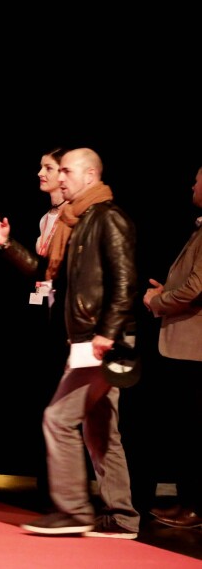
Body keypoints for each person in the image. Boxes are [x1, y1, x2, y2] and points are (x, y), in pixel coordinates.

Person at [20, 147, 141, 539]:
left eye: (67, 171)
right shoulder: (79, 220)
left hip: (102, 339)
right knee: (100, 427)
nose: (61, 178)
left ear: (90, 176)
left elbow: (125, 282)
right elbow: (49, 274)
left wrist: (107, 333)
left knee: (57, 418)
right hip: (90, 337)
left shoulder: (108, 218)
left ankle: (72, 511)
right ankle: (121, 516)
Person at [0, 147, 70, 504]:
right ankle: (47, 490)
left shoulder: (76, 218)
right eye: (40, 166)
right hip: (43, 321)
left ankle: (65, 496)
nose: (40, 172)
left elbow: (59, 276)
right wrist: (7, 245)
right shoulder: (47, 218)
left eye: (47, 167)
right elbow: (40, 274)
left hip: (66, 326)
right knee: (42, 407)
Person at [142, 165, 202, 529]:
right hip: (187, 343)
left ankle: (193, 506)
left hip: (193, 346)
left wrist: (157, 301)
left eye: (197, 180)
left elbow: (196, 288)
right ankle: (189, 503)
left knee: (193, 431)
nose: (192, 184)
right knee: (187, 429)